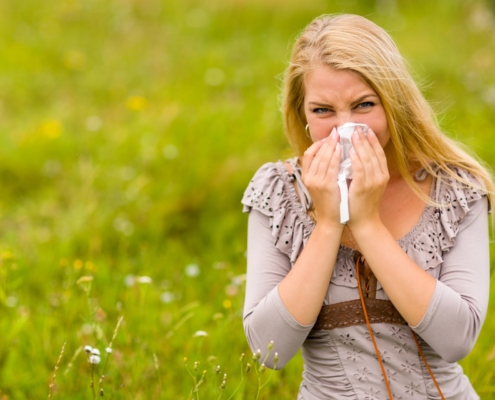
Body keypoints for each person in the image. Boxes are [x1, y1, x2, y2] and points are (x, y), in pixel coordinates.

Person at [241, 14, 494, 400]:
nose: (345, 128)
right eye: (323, 110)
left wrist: (367, 223)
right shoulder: (279, 191)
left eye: (363, 105)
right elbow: (268, 349)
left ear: (394, 103)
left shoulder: (452, 188)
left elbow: (458, 339)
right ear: (303, 115)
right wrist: (327, 224)